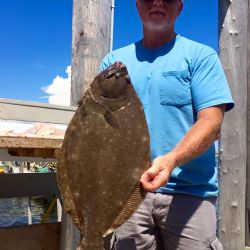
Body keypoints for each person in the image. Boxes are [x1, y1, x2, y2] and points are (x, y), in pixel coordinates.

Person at [100, 0, 234, 249]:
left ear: (180, 7)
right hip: (127, 193)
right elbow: (101, 125)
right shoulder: (113, 62)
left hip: (190, 193)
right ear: (138, 6)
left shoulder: (200, 56)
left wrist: (171, 159)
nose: (158, 2)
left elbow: (212, 121)